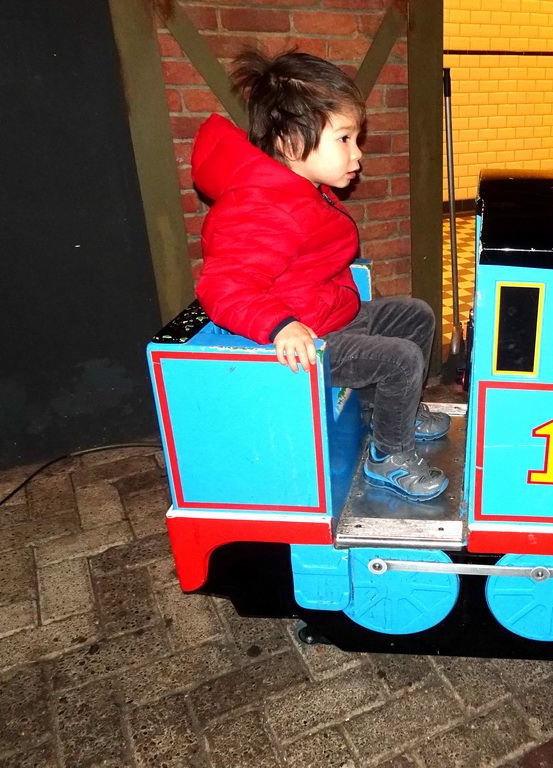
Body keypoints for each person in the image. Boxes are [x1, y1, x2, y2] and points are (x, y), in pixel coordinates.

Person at [191, 49, 450, 501]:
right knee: (401, 359)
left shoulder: (299, 189)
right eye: (345, 139)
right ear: (292, 144)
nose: (358, 154)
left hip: (333, 313)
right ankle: (387, 456)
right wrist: (280, 325)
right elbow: (222, 285)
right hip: (310, 339)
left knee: (416, 316)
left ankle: (391, 412)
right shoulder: (262, 208)